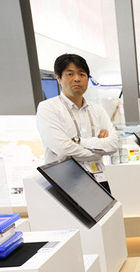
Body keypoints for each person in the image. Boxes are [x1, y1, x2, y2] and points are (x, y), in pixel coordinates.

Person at [36, 53, 120, 192]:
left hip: (98, 177)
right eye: (70, 74)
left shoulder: (97, 110)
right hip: (66, 181)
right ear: (58, 78)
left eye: (82, 74)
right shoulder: (48, 108)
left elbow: (113, 145)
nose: (77, 79)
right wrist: (98, 151)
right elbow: (62, 149)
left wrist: (79, 142)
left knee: (108, 213)